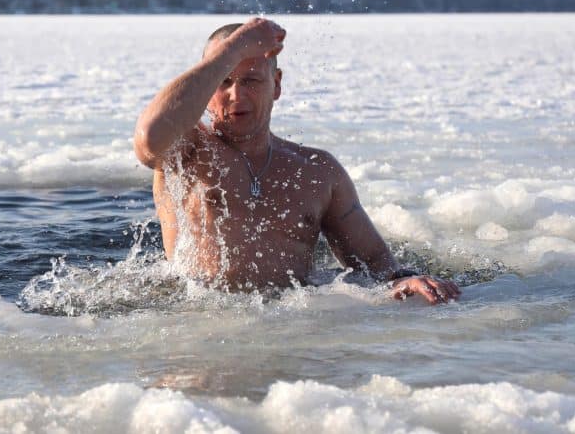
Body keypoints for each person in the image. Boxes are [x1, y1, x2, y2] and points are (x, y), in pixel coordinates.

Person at [134, 17, 460, 304]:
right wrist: (231, 50)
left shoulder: (318, 172)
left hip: (289, 322)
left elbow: (374, 262)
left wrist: (404, 281)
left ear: (276, 85)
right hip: (197, 318)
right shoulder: (187, 152)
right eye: (223, 80)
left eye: (250, 80)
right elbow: (148, 139)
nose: (236, 95)